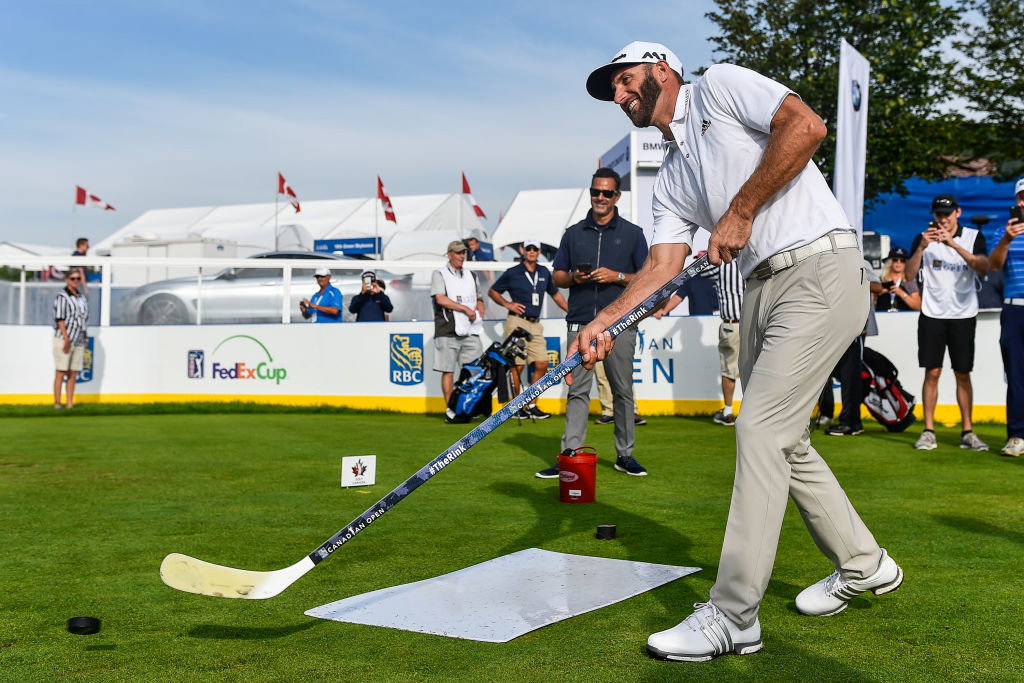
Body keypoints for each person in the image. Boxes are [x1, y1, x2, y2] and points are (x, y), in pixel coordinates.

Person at [580, 41, 902, 662]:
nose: (620, 97)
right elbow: (661, 264)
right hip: (757, 290)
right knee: (786, 439)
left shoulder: (720, 85)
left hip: (820, 266)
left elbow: (806, 126)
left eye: (624, 81)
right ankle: (865, 563)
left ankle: (734, 615)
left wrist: (740, 210)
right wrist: (607, 321)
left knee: (758, 430)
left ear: (661, 69)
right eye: (612, 92)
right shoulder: (668, 175)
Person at [534, 167, 649, 478]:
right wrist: (574, 277)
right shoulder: (573, 233)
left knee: (622, 390)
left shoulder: (633, 234)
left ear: (617, 197)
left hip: (620, 324)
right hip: (579, 322)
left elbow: (649, 278)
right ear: (591, 193)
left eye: (607, 193)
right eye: (596, 192)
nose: (600, 197)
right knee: (577, 392)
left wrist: (618, 276)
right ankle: (569, 455)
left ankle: (625, 454)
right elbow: (557, 275)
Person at [905, 194, 990, 451]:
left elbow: (983, 267)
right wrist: (921, 247)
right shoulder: (923, 238)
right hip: (932, 313)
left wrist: (953, 244)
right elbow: (908, 277)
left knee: (962, 373)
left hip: (964, 313)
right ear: (934, 215)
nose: (943, 219)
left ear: (958, 213)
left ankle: (968, 431)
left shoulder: (974, 237)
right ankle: (928, 430)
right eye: (939, 214)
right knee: (932, 372)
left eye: (948, 213)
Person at [488, 239, 568, 419]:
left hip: (535, 324)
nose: (532, 251)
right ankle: (517, 407)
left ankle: (532, 404)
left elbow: (555, 294)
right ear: (524, 250)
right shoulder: (513, 272)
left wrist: (572, 312)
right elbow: (493, 291)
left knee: (542, 363)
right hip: (517, 322)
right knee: (517, 366)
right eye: (529, 248)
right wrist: (508, 304)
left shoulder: (543, 272)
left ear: (539, 252)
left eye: (535, 249)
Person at [988, 177, 1024, 457]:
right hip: (1014, 308)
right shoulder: (1003, 231)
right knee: (1016, 374)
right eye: (1021, 197)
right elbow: (994, 265)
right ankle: (1017, 435)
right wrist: (1008, 239)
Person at [432, 240, 485, 411]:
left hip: (471, 329)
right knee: (448, 371)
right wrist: (464, 308)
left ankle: (469, 407)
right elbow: (440, 298)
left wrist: (480, 308)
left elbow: (479, 297)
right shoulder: (439, 274)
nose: (462, 256)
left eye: (463, 252)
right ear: (449, 255)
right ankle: (451, 409)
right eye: (457, 252)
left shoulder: (472, 274)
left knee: (473, 371)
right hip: (447, 330)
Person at [53, 269, 89, 409]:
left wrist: (84, 335)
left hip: (79, 337)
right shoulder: (62, 296)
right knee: (61, 371)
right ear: (67, 279)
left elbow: (83, 318)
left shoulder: (81, 297)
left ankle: (69, 403)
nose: (75, 281)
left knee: (73, 372)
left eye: (78, 278)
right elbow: (60, 319)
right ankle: (57, 402)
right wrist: (66, 339)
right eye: (73, 278)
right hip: (64, 338)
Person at [875, 247, 921, 311]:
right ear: (890, 262)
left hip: (904, 317)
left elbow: (918, 306)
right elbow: (870, 303)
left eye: (902, 261)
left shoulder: (909, 282)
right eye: (895, 260)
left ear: (906, 263)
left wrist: (901, 293)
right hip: (881, 316)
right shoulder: (881, 280)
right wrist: (879, 293)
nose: (898, 263)